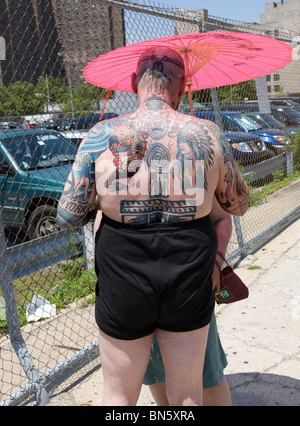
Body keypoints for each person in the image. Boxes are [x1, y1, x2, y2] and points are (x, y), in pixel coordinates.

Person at [57, 46, 249, 406]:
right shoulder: (208, 133)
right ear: (183, 87)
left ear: (134, 83)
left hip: (123, 269)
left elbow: (67, 215)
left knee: (118, 396)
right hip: (189, 267)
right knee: (188, 396)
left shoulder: (103, 133)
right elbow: (237, 204)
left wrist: (109, 192)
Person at [143, 197, 233, 406]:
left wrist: (217, 262)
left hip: (190, 288)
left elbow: (222, 217)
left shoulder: (191, 166)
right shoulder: (119, 168)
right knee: (157, 374)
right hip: (140, 293)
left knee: (207, 376)